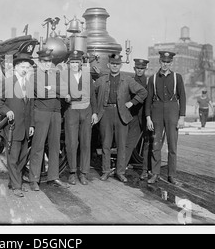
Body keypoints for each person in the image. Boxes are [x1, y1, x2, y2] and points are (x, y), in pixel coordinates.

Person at [96, 54, 148, 183]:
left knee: (121, 145)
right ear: (108, 65)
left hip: (122, 114)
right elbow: (91, 92)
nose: (115, 66)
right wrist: (95, 110)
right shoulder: (101, 80)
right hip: (106, 113)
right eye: (113, 64)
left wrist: (132, 102)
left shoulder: (127, 80)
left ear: (121, 66)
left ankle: (120, 172)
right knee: (106, 144)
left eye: (117, 64)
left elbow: (143, 92)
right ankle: (105, 171)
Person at [0, 53, 35, 197]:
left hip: (25, 127)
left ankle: (13, 182)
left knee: (23, 157)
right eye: (22, 66)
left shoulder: (28, 85)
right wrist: (7, 111)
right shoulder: (8, 82)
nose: (25, 69)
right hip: (12, 127)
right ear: (16, 67)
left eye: (28, 67)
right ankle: (17, 185)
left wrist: (31, 125)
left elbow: (30, 107)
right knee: (12, 157)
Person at [28, 48, 69, 191]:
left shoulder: (55, 74)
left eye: (49, 61)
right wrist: (54, 90)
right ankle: (34, 179)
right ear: (39, 62)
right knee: (38, 146)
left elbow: (65, 91)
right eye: (44, 61)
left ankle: (53, 176)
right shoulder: (33, 76)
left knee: (54, 146)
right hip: (41, 113)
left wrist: (51, 87)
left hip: (56, 113)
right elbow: (39, 92)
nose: (47, 64)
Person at [145, 51, 186, 185]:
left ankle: (171, 175)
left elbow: (183, 97)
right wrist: (148, 117)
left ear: (171, 63)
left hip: (172, 111)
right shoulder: (153, 79)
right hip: (156, 111)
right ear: (160, 62)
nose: (165, 64)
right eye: (163, 62)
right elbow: (148, 100)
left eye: (168, 62)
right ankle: (155, 173)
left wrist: (182, 117)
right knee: (156, 145)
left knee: (172, 145)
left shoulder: (177, 77)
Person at [63, 50, 98, 185]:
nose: (74, 65)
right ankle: (72, 172)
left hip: (86, 111)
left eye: (77, 62)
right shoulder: (64, 76)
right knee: (71, 143)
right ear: (69, 63)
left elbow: (92, 95)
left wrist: (94, 112)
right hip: (71, 110)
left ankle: (83, 173)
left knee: (85, 142)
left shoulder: (87, 75)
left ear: (81, 63)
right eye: (72, 62)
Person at [123, 59, 153, 180]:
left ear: (145, 69)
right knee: (129, 143)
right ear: (134, 69)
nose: (139, 70)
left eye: (142, 68)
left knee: (147, 143)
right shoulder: (130, 81)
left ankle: (145, 170)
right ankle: (122, 168)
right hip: (134, 116)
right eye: (137, 68)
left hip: (146, 117)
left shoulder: (149, 82)